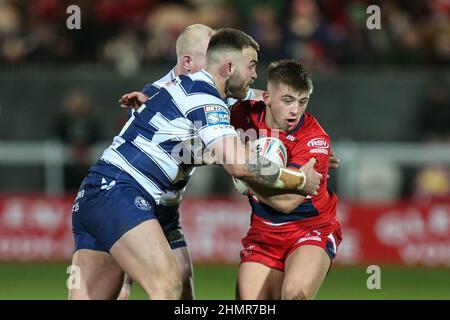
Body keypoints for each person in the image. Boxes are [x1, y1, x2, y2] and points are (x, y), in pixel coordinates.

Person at [69, 28, 322, 300]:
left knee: (172, 286)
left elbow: (268, 99)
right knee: (168, 287)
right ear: (228, 67)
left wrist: (304, 142)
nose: (254, 74)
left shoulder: (196, 89)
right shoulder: (206, 98)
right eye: (251, 66)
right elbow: (238, 165)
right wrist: (298, 180)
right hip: (120, 192)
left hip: (98, 193)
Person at [231, 59, 342, 300]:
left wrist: (245, 177)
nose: (295, 111)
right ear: (267, 97)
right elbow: (202, 131)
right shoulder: (243, 114)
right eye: (288, 101)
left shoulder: (314, 139)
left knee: (294, 295)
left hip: (310, 227)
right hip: (263, 232)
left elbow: (287, 202)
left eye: (303, 102)